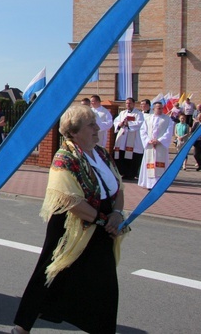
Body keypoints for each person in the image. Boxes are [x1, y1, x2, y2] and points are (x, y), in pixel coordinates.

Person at [12, 105, 128, 334]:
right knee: (50, 272)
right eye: (91, 125)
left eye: (96, 123)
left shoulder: (102, 153)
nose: (97, 128)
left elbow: (119, 187)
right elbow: (69, 201)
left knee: (104, 283)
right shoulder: (64, 157)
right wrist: (104, 221)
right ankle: (23, 325)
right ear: (74, 132)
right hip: (71, 225)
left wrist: (116, 214)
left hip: (103, 223)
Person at [138, 102, 173, 190]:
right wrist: (148, 140)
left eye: (161, 108)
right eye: (158, 108)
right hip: (150, 145)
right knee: (150, 164)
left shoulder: (167, 119)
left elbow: (169, 132)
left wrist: (159, 140)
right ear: (153, 109)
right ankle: (149, 184)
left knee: (160, 164)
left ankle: (160, 185)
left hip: (161, 145)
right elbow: (143, 130)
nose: (160, 110)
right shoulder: (148, 119)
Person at [112, 97, 145, 180]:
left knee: (132, 157)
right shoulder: (122, 113)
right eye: (126, 103)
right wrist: (120, 124)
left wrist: (128, 124)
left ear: (134, 104)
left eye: (130, 103)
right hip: (122, 138)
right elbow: (116, 122)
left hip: (133, 140)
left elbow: (140, 123)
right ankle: (122, 172)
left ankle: (130, 174)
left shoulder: (138, 114)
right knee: (121, 155)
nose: (128, 105)